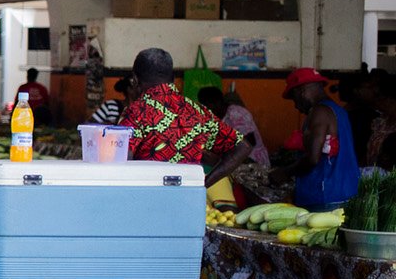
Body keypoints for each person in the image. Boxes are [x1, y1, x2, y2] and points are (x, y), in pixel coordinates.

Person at [120, 48, 251, 189]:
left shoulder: (137, 111)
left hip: (146, 198)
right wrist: (204, 184)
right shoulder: (198, 111)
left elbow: (121, 158)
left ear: (134, 80)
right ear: (173, 79)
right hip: (188, 199)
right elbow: (242, 147)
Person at [272, 68, 358, 210]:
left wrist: (284, 172)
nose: (295, 105)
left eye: (294, 98)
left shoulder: (319, 112)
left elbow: (313, 158)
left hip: (325, 195)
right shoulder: (339, 111)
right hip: (344, 191)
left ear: (302, 91)